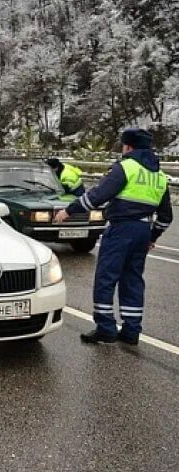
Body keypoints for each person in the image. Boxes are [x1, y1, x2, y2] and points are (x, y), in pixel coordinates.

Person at [53, 128, 172, 345]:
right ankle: (131, 330)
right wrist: (152, 237)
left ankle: (106, 328)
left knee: (106, 278)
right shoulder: (159, 175)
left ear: (128, 146)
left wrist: (69, 210)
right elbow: (166, 216)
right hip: (143, 231)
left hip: (121, 230)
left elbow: (97, 195)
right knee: (133, 280)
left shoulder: (125, 167)